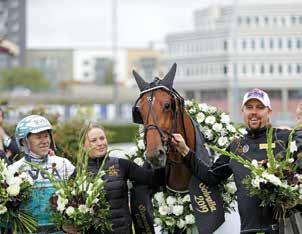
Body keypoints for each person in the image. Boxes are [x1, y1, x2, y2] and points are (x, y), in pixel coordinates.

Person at [171, 88, 302, 234]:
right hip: (247, 230)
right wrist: (185, 150)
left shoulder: (284, 138)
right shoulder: (236, 146)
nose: (254, 112)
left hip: (282, 229)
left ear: (269, 111)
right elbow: (211, 176)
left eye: (260, 107)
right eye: (249, 107)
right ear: (243, 111)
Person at [82, 123, 165, 234]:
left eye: (102, 138)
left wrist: (159, 161)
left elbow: (153, 180)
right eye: (94, 140)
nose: (100, 143)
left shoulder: (121, 164)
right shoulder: (78, 173)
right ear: (83, 146)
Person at [8, 115, 75, 233]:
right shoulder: (13, 170)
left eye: (46, 136)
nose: (45, 141)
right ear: (23, 141)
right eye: (38, 137)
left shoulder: (64, 164)